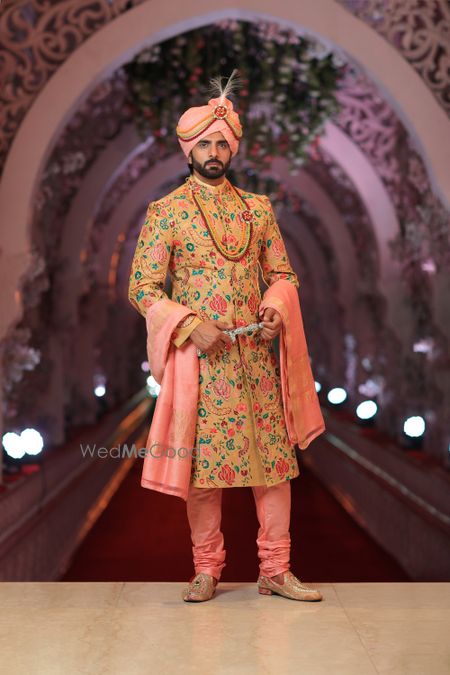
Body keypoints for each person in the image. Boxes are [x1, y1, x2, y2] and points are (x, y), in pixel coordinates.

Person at [128, 74, 325, 602]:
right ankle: (207, 569)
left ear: (232, 147)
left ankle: (276, 570)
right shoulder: (165, 213)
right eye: (204, 144)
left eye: (222, 143)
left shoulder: (258, 210)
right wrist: (191, 325)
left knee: (275, 468)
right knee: (203, 473)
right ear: (188, 149)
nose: (214, 152)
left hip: (256, 358)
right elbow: (142, 288)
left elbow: (283, 274)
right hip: (202, 364)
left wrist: (275, 307)